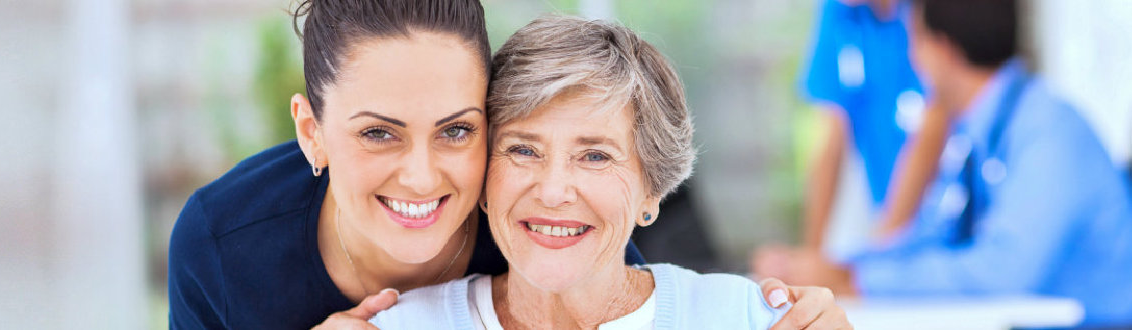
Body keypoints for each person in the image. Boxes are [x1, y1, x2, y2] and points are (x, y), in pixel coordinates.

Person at [166, 1, 846, 329]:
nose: (424, 176)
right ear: (311, 132)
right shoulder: (221, 244)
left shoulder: (550, 232)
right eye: (379, 134)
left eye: (458, 131)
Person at [370, 15, 851, 330]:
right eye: (523, 150)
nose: (554, 190)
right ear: (484, 182)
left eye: (595, 156)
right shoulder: (399, 326)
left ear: (652, 191)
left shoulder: (747, 318)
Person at [757, 0, 1132, 327]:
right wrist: (839, 268)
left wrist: (857, 281)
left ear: (943, 49)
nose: (913, 59)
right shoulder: (983, 128)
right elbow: (937, 234)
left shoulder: (1048, 131)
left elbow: (1001, 271)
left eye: (914, 39)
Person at [790, 0, 952, 265]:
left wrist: (881, 248)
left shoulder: (929, 13)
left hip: (943, 219)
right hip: (886, 215)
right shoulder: (839, 12)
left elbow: (934, 126)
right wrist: (812, 259)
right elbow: (831, 139)